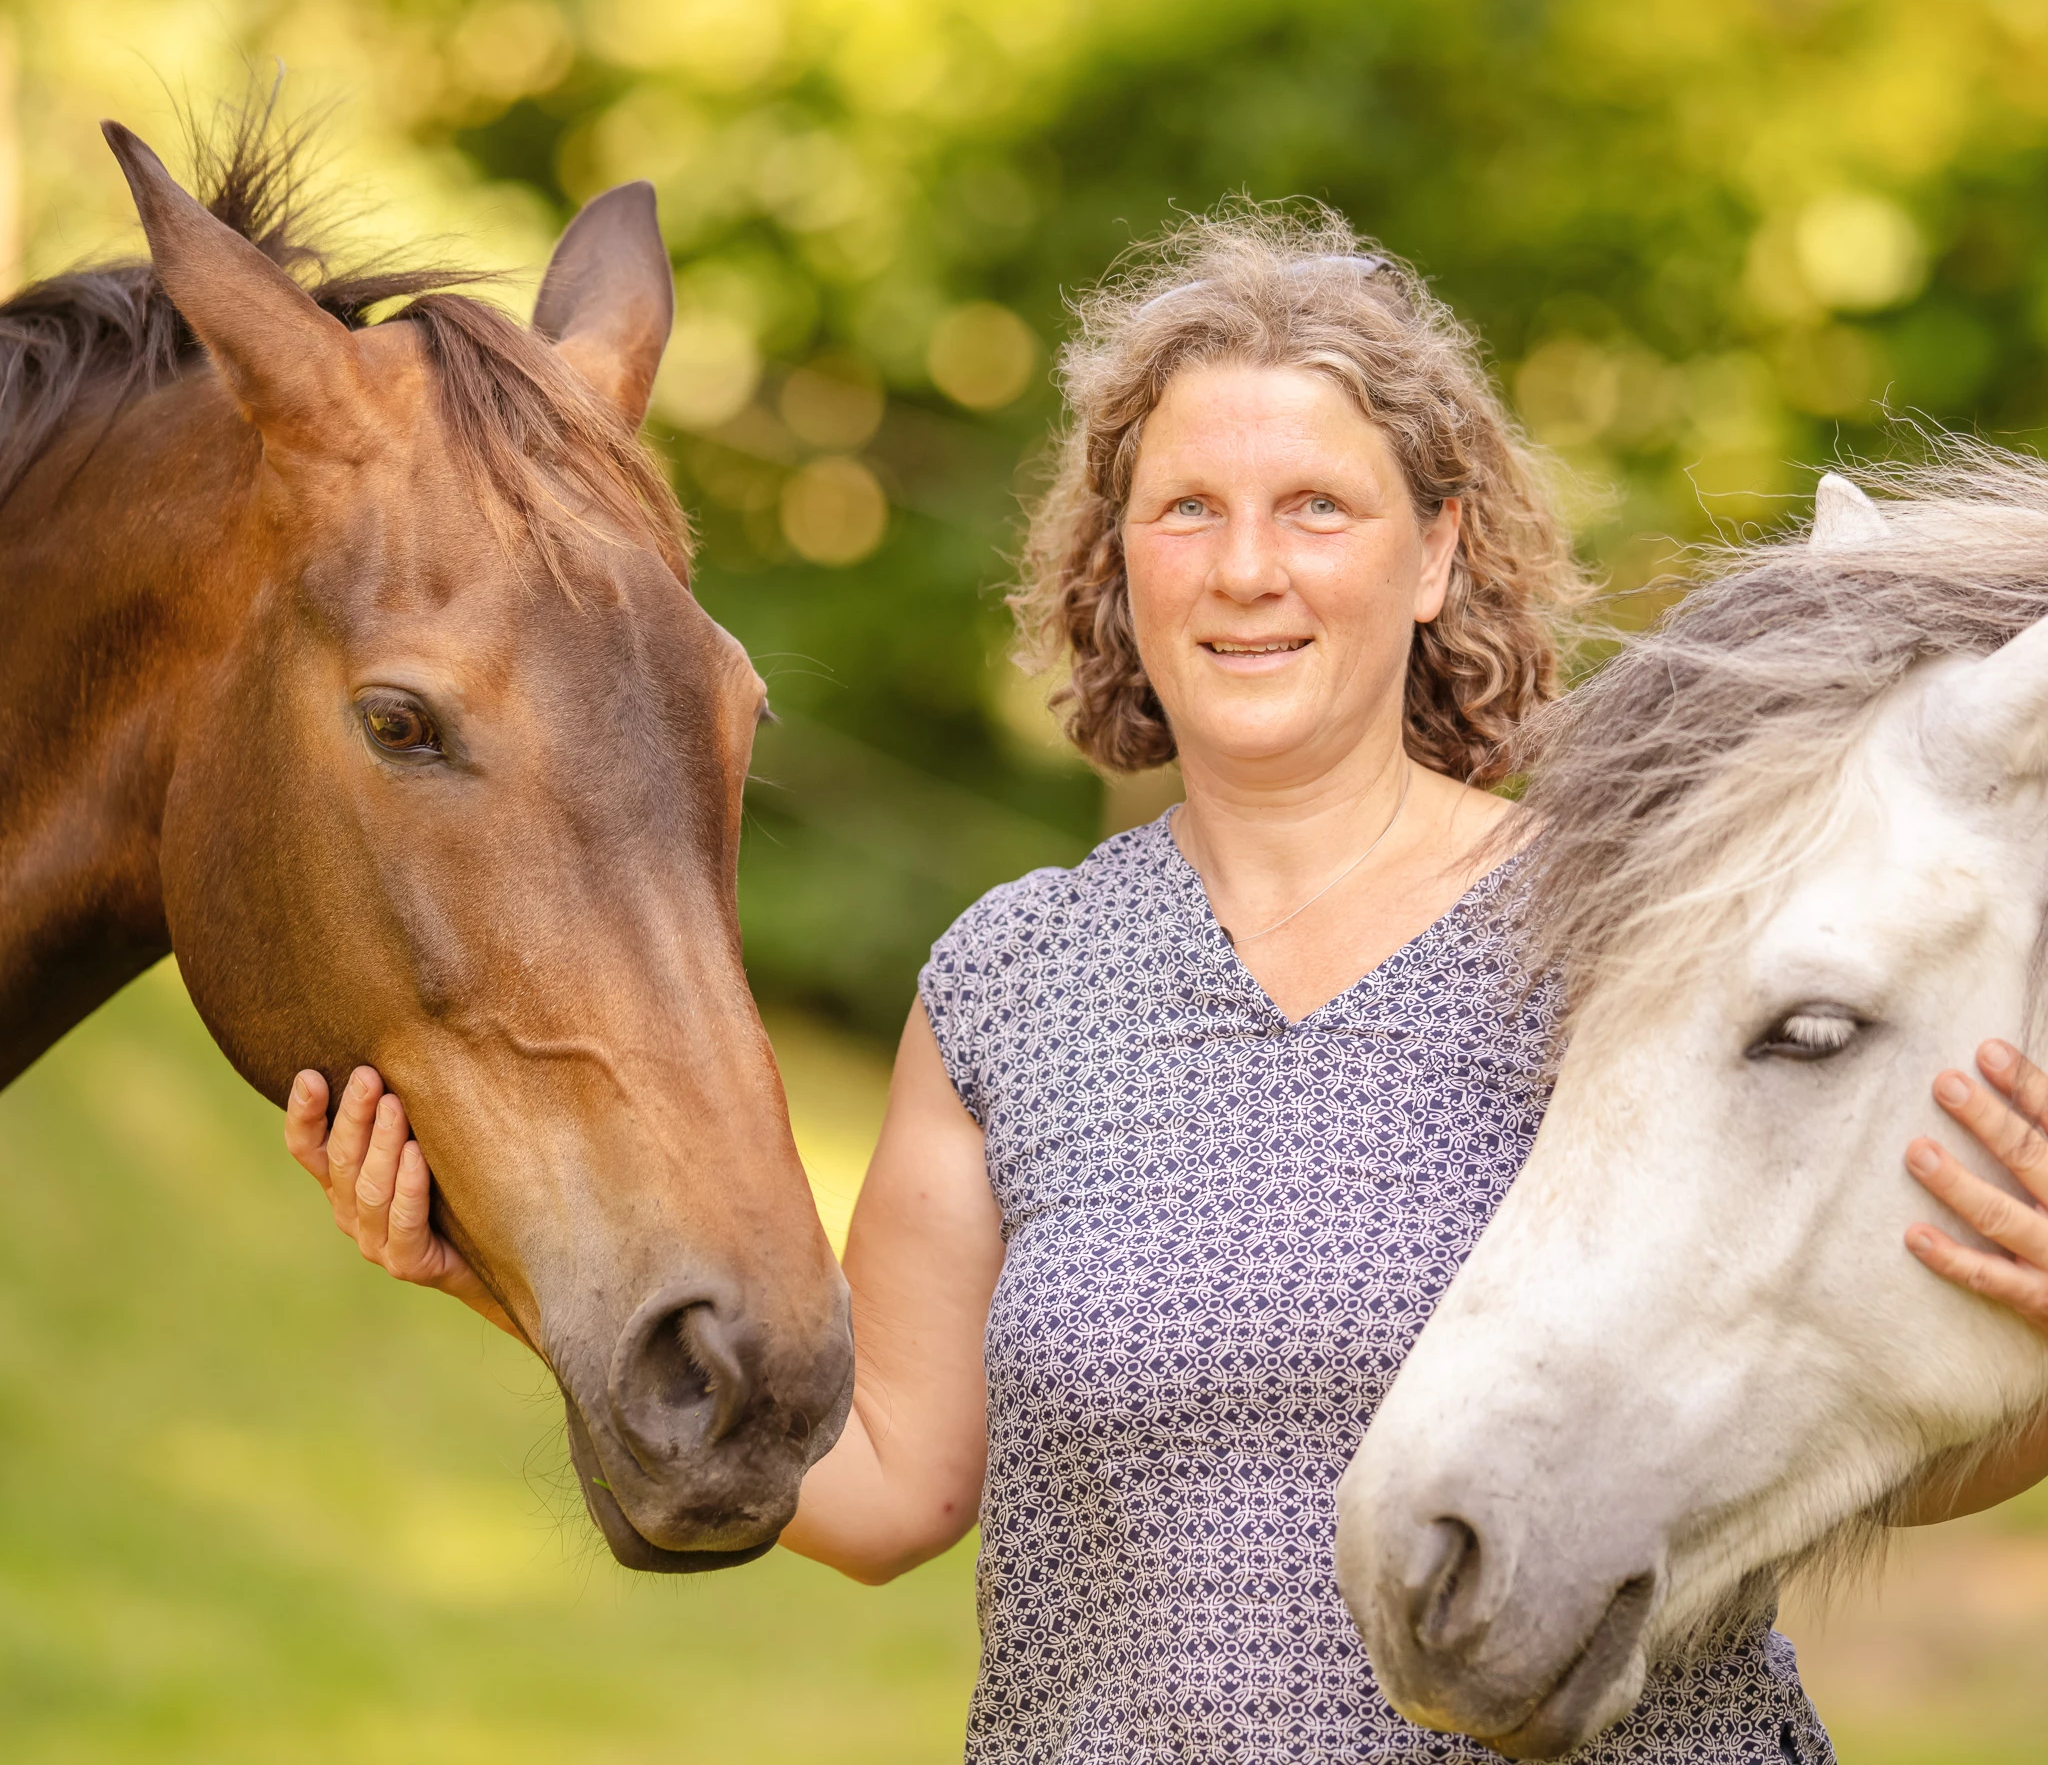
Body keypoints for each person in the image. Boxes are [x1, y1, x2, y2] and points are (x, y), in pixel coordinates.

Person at [286, 209, 2048, 1760]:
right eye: (1187, 509)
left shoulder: (1625, 923)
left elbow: (1837, 1402)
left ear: (1438, 555)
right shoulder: (1011, 983)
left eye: (1317, 508)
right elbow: (890, 1484)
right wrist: (497, 1270)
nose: (1247, 569)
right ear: (1115, 566)